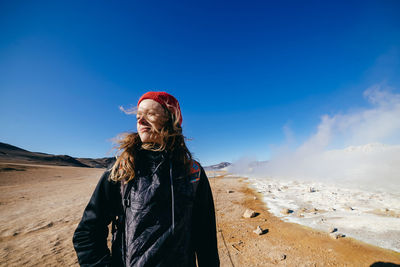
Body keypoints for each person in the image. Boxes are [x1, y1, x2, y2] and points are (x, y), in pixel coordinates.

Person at [72, 91, 220, 267]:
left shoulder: (192, 172)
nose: (141, 121)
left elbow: (205, 238)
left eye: (150, 114)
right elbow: (87, 233)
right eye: (138, 116)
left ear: (171, 120)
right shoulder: (123, 169)